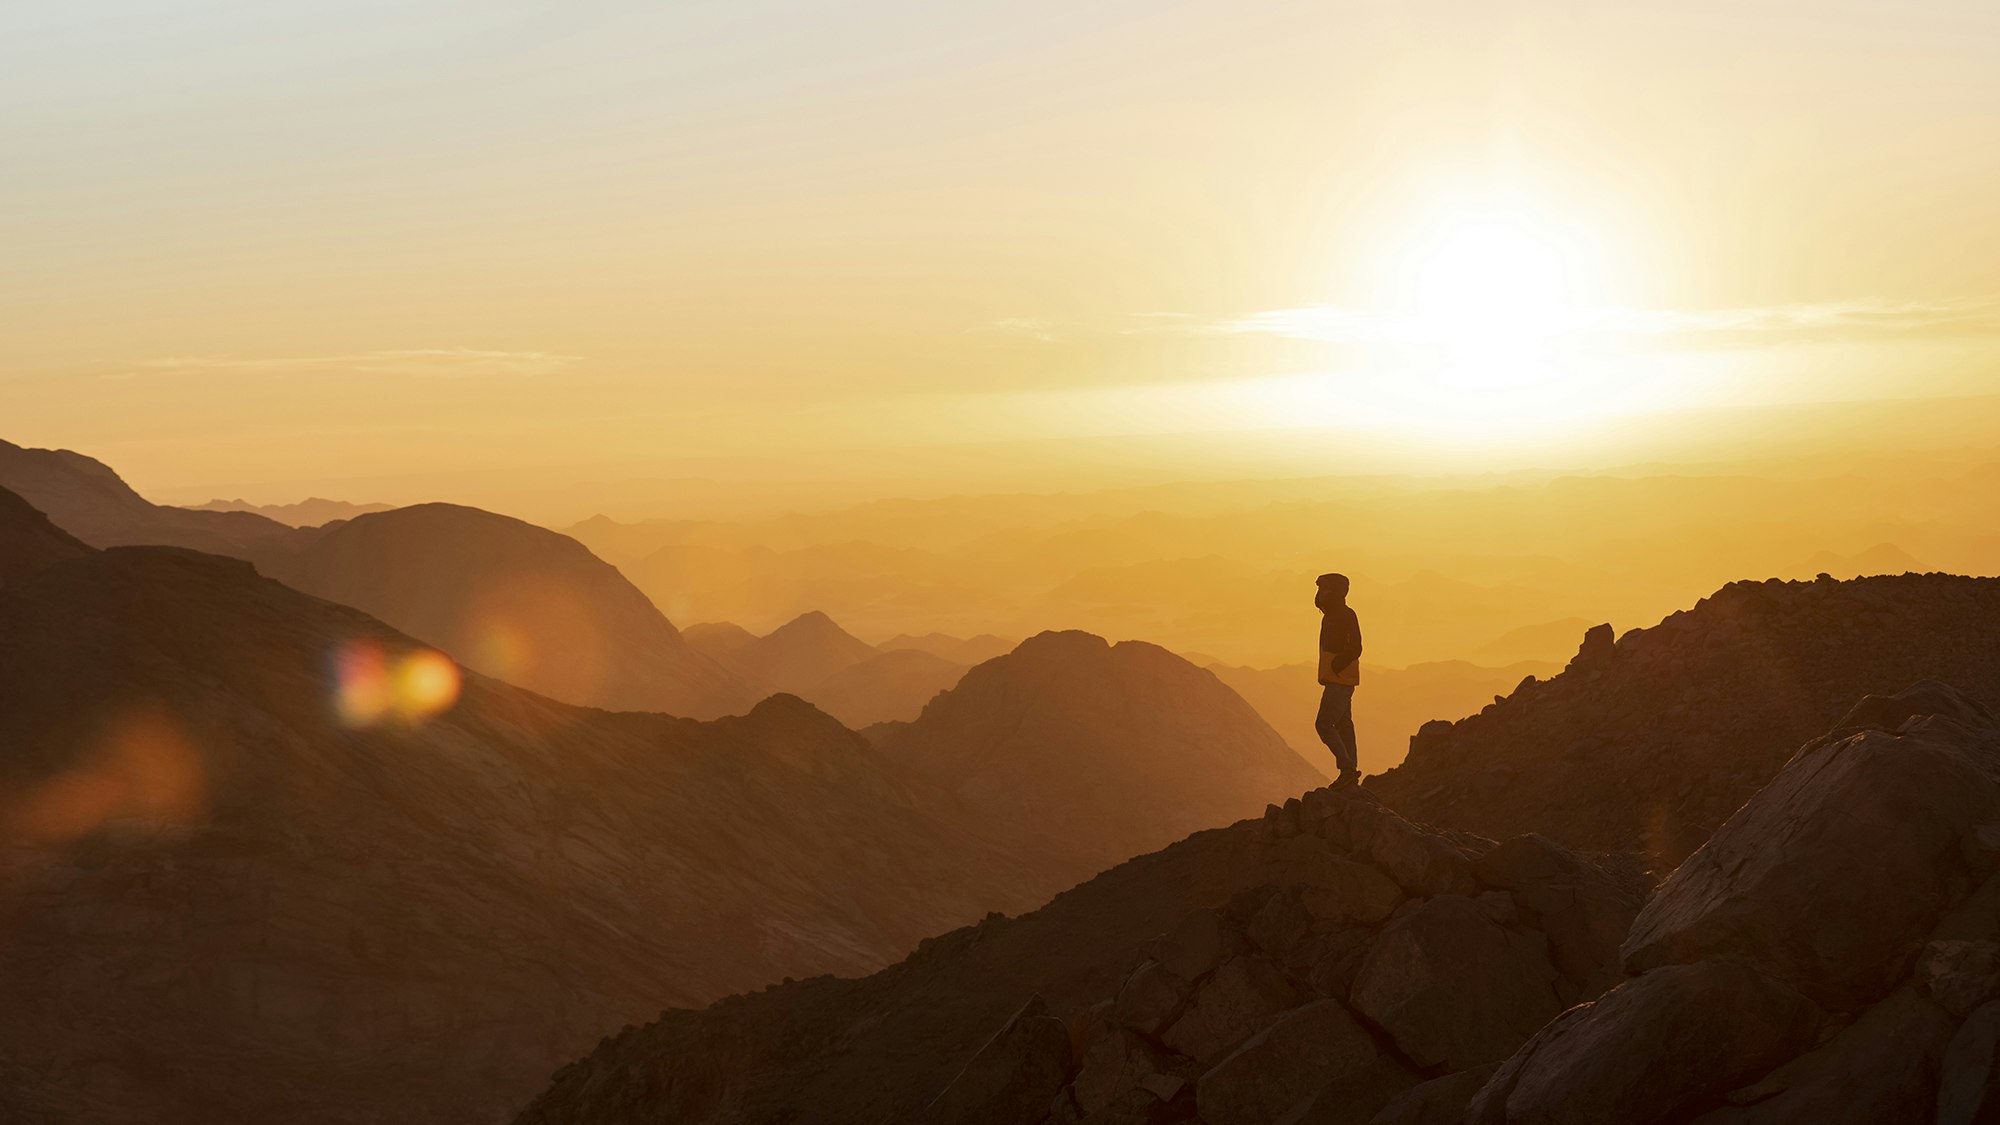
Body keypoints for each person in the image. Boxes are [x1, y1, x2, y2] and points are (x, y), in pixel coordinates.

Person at [1314, 572, 1362, 787]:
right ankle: (1349, 772)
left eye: (1324, 589)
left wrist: (1337, 665)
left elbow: (1356, 647)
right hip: (1336, 678)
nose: (1319, 594)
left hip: (1340, 680)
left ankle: (1347, 768)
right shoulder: (1331, 616)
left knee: (1324, 723)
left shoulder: (1345, 615)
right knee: (1344, 724)